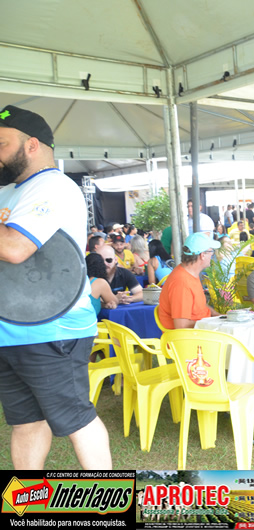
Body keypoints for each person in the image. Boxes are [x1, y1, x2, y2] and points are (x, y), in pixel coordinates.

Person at [0, 104, 111, 469]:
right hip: (11, 328)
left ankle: (109, 501)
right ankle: (26, 499)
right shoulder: (10, 192)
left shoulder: (53, 186)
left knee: (77, 419)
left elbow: (15, 248)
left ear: (31, 145)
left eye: (1, 144)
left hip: (52, 328)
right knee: (26, 422)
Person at [158, 232, 221, 329]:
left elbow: (200, 306)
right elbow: (181, 326)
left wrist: (218, 316)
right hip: (191, 336)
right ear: (202, 255)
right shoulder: (181, 282)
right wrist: (211, 323)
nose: (212, 254)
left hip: (200, 332)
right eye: (211, 251)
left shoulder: (190, 273)